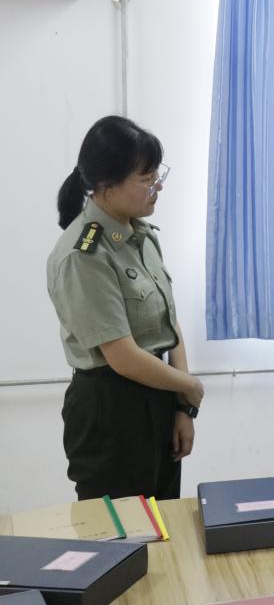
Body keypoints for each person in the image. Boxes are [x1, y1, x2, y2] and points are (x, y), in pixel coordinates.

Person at [47, 115, 203, 501]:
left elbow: (169, 322)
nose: (158, 186)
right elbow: (123, 357)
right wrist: (190, 386)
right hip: (111, 411)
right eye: (146, 179)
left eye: (158, 175)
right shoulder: (84, 254)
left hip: (160, 397)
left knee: (166, 524)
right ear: (105, 184)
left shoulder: (141, 234)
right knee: (121, 531)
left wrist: (183, 407)